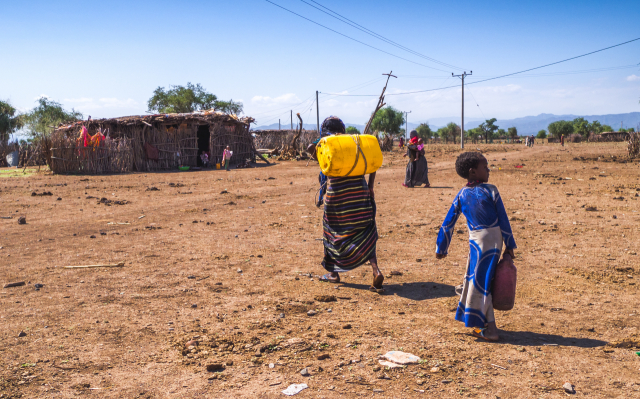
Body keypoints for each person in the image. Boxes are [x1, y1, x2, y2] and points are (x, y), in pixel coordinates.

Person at [435, 152, 517, 342]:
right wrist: (509, 245)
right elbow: (503, 218)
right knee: (482, 281)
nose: (488, 169)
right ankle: (485, 324)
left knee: (481, 283)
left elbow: (448, 222)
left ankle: (491, 329)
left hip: (479, 243)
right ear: (473, 172)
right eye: (485, 166)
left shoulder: (462, 194)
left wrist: (441, 247)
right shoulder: (491, 190)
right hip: (494, 241)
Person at [315, 116, 383, 291]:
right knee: (365, 229)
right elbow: (374, 162)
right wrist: (370, 187)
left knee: (331, 232)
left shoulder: (326, 142)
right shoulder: (354, 142)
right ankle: (375, 270)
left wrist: (315, 153)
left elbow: (317, 157)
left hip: (337, 194)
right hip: (360, 191)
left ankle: (333, 273)